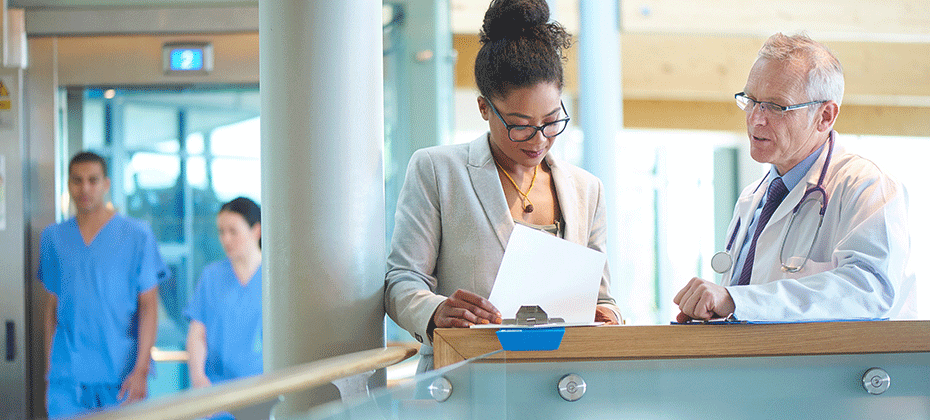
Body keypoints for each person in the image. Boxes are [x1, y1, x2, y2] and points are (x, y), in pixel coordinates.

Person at [385, 0, 621, 371]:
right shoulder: (438, 170)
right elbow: (401, 280)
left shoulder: (585, 189)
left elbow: (603, 297)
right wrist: (435, 311)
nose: (538, 139)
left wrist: (607, 314)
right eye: (519, 124)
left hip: (561, 380)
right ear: (484, 108)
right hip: (466, 375)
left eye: (551, 120)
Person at [674, 33, 916, 322]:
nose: (756, 119)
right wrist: (713, 310)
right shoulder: (753, 198)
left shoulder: (867, 186)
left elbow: (869, 291)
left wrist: (736, 300)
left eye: (777, 107)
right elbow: (747, 308)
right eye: (751, 100)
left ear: (825, 116)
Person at [39, 151, 168, 419]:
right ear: (68, 184)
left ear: (106, 184)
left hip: (120, 379)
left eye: (93, 180)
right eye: (77, 180)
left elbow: (149, 308)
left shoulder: (137, 235)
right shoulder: (53, 238)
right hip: (67, 381)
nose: (85, 188)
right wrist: (51, 376)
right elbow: (52, 310)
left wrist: (141, 371)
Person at [185, 197, 263, 389]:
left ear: (256, 230)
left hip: (264, 388)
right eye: (221, 232)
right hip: (217, 389)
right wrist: (198, 377)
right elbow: (197, 334)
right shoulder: (211, 277)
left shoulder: (275, 278)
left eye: (233, 231)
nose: (226, 239)